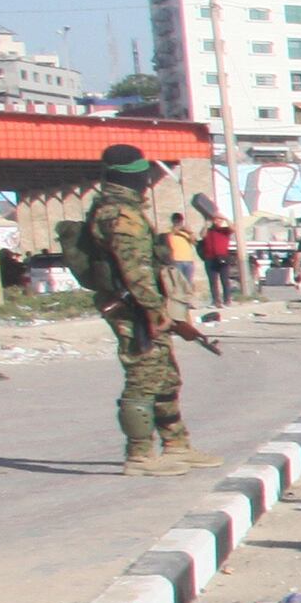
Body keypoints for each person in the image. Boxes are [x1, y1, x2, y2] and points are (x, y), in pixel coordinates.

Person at [73, 142, 196, 475]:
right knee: (143, 376)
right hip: (133, 308)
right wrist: (154, 309)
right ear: (134, 178)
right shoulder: (120, 213)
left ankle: (175, 444)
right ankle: (139, 455)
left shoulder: (120, 208)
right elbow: (135, 269)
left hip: (142, 305)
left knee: (166, 376)